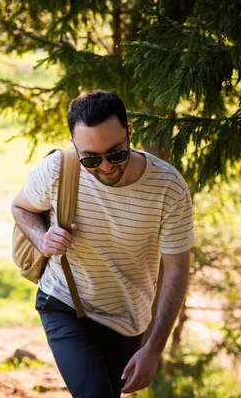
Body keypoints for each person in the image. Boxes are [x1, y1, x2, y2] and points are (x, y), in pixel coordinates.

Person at [11, 90, 194, 397]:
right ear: (74, 145)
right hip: (64, 302)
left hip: (128, 320)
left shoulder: (169, 188)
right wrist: (42, 238)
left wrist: (153, 348)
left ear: (129, 132)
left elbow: (177, 270)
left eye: (117, 153)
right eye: (91, 159)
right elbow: (21, 208)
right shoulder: (57, 169)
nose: (106, 166)